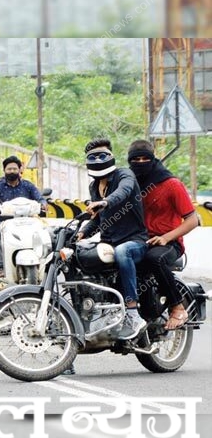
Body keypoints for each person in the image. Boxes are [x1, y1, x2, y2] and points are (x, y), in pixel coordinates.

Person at [77, 139, 149, 340]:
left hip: (135, 240)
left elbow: (123, 192)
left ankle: (133, 313)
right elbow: (98, 219)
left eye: (103, 154)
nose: (99, 158)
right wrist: (81, 233)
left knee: (122, 252)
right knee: (77, 254)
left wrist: (105, 201)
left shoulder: (124, 175)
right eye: (94, 155)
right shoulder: (94, 187)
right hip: (108, 241)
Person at [127, 140, 199, 330]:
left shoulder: (171, 184)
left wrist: (166, 237)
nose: (141, 162)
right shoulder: (129, 185)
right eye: (136, 159)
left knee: (154, 259)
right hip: (140, 241)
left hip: (169, 243)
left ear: (153, 158)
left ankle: (177, 307)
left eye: (145, 158)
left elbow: (193, 220)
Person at [0, 156, 47, 278]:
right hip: (4, 223)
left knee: (46, 232)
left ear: (20, 170)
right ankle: (1, 267)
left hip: (28, 221)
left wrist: (43, 204)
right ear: (4, 170)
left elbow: (40, 198)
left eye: (14, 169)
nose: (12, 171)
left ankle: (45, 263)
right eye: (9, 169)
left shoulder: (28, 186)